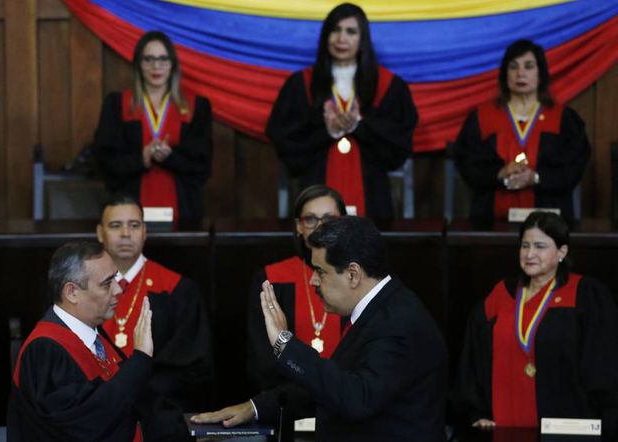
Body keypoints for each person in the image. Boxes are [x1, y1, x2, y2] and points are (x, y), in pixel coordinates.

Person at [193, 216, 448, 441]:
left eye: (320, 272)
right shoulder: (381, 308)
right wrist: (255, 407)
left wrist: (285, 343)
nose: (313, 280)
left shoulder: (397, 324)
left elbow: (356, 398)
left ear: (352, 275)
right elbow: (332, 384)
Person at [452, 211, 618, 437]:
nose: (529, 254)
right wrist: (475, 411)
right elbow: (473, 360)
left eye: (540, 246)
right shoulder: (500, 295)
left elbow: (602, 368)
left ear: (562, 252)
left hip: (565, 431)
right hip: (503, 427)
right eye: (524, 245)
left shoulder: (585, 296)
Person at [266, 3, 417, 220]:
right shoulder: (301, 85)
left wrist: (360, 127)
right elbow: (284, 139)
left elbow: (398, 146)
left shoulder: (389, 86)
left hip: (372, 196)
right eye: (335, 30)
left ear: (362, 38)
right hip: (314, 191)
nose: (341, 39)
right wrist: (326, 130)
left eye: (351, 31)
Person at [8, 241, 160, 441]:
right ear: (72, 292)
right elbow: (88, 423)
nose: (118, 290)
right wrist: (139, 359)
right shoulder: (45, 349)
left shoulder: (94, 336)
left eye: (115, 278)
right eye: (107, 283)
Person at [96, 193, 214, 411]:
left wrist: (132, 396)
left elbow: (190, 367)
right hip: (94, 409)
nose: (125, 234)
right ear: (100, 233)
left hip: (154, 410)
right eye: (115, 225)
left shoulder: (176, 288)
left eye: (134, 225)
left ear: (144, 232)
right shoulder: (82, 289)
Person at [454, 39, 590, 222]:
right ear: (504, 75)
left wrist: (536, 177)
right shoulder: (482, 118)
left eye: (529, 66)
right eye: (513, 67)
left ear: (540, 74)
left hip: (549, 222)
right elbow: (467, 164)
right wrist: (500, 173)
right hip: (492, 222)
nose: (520, 73)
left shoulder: (563, 119)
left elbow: (574, 167)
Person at [93, 31, 212, 224]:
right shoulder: (117, 105)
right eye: (148, 59)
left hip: (183, 215)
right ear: (138, 64)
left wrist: (170, 157)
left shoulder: (195, 107)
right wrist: (143, 157)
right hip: (128, 219)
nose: (156, 66)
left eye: (163, 59)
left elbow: (202, 169)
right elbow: (104, 163)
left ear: (172, 64)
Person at [247, 184, 347, 391]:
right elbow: (262, 357)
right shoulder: (271, 278)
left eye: (329, 219)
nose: (321, 227)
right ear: (299, 227)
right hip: (286, 399)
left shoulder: (356, 277)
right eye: (311, 219)